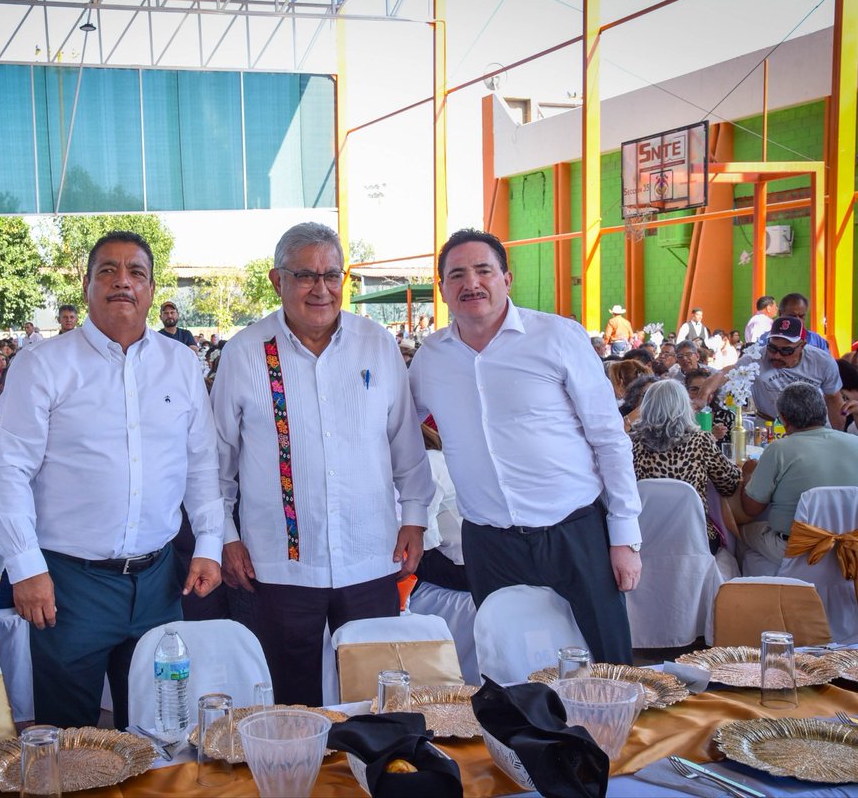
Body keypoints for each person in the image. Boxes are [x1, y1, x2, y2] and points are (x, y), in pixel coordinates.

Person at [0, 230, 223, 729]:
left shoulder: (180, 362)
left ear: (152, 289)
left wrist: (210, 543)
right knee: (72, 737)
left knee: (160, 726)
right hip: (70, 585)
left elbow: (201, 464)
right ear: (87, 284)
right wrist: (26, 568)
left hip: (159, 579)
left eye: (136, 272)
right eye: (108, 271)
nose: (123, 282)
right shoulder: (43, 364)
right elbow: (9, 472)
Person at [211, 222, 433, 706]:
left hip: (371, 555)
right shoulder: (245, 352)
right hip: (281, 565)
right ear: (277, 280)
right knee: (293, 701)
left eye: (332, 275)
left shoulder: (376, 344)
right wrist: (225, 538)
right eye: (306, 275)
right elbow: (218, 463)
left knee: (376, 695)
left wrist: (415, 518)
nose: (322, 288)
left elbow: (406, 446)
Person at [410, 229, 642, 665]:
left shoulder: (557, 337)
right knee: (509, 663)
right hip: (489, 542)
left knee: (610, 665)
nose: (471, 283)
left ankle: (616, 735)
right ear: (442, 289)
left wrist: (624, 537)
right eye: (456, 275)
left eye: (483, 270)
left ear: (507, 278)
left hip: (575, 532)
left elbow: (609, 438)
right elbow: (399, 431)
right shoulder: (431, 358)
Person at [737, 383, 858, 572]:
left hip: (799, 550)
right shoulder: (857, 443)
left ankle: (759, 594)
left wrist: (748, 474)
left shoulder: (780, 449)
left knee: (740, 533)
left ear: (784, 419)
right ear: (824, 413)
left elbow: (751, 508)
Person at [629, 380, 740, 554]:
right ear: (684, 406)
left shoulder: (631, 444)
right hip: (695, 537)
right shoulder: (700, 441)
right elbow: (729, 485)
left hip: (644, 536)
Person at [701, 317, 844, 430]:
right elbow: (726, 372)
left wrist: (839, 435)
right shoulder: (757, 357)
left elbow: (834, 399)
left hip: (813, 429)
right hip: (769, 427)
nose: (777, 356)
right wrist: (704, 393)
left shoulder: (822, 361)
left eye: (786, 351)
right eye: (772, 348)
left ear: (802, 345)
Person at [416, 422, 468, 593]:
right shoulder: (440, 455)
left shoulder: (427, 464)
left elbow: (423, 536)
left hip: (464, 566)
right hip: (474, 556)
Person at [757, 293, 830, 352]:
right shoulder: (765, 340)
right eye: (792, 316)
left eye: (801, 316)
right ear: (780, 314)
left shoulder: (816, 340)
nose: (798, 320)